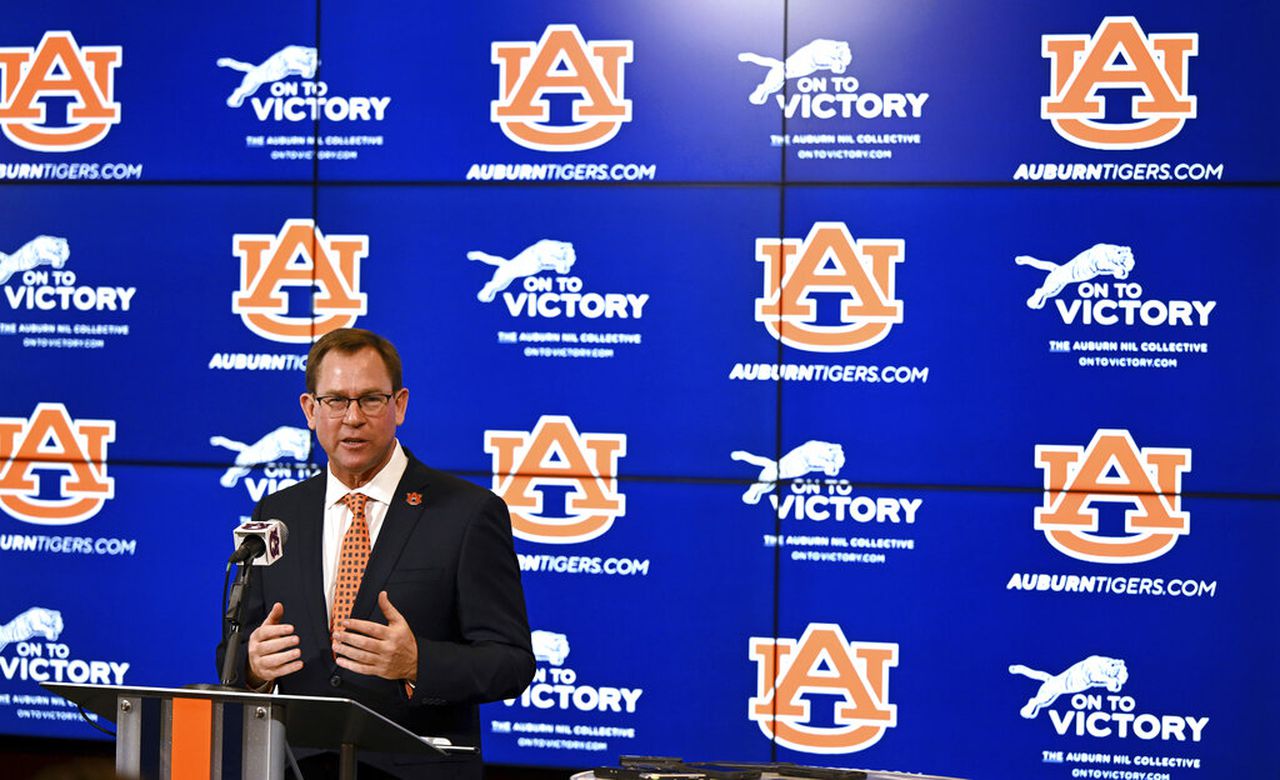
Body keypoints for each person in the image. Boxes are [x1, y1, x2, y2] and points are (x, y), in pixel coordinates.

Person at [217, 328, 534, 779]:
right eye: (335, 401)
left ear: (399, 405)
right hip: (294, 767)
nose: (352, 418)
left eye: (370, 399)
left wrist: (418, 663)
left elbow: (512, 663)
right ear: (310, 410)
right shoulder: (278, 511)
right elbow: (236, 650)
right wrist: (252, 667)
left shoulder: (468, 513)